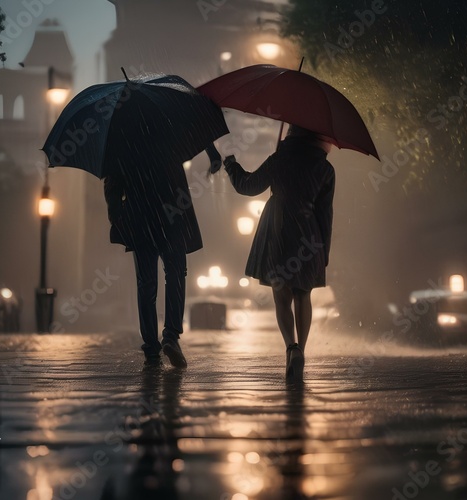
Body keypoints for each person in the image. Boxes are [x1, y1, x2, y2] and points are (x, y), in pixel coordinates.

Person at [103, 100, 222, 367]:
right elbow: (197, 130)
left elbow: (112, 183)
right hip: (173, 214)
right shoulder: (169, 133)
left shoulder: (122, 142)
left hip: (142, 217)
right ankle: (171, 336)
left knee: (147, 283)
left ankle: (151, 346)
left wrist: (117, 214)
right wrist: (213, 153)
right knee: (176, 275)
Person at [223, 125, 335, 382]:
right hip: (310, 233)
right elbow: (325, 215)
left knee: (281, 295)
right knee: (302, 294)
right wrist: (323, 253)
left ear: (292, 134)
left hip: (278, 228)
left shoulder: (280, 158)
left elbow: (248, 186)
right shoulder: (326, 170)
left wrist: (230, 164)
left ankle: (291, 348)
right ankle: (302, 352)